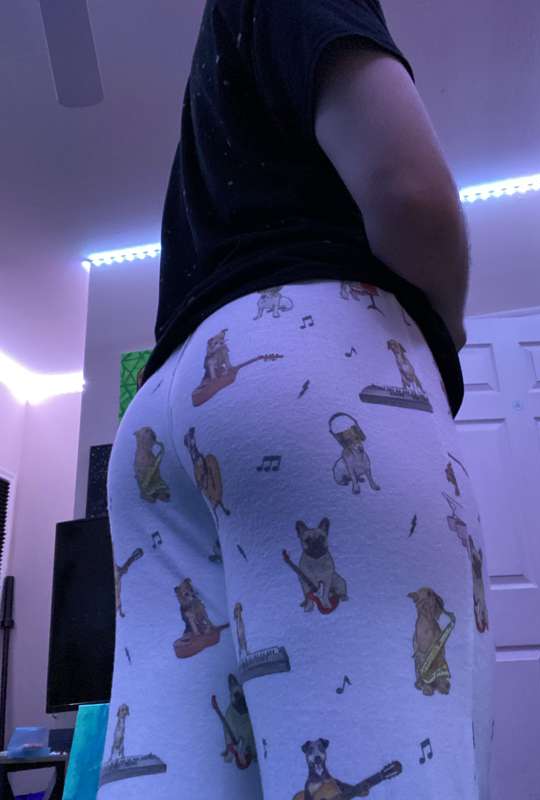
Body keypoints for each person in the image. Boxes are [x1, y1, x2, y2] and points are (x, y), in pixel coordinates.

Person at [98, 1, 494, 798]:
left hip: (160, 413)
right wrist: (442, 336)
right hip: (316, 357)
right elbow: (410, 191)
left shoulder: (216, 86)